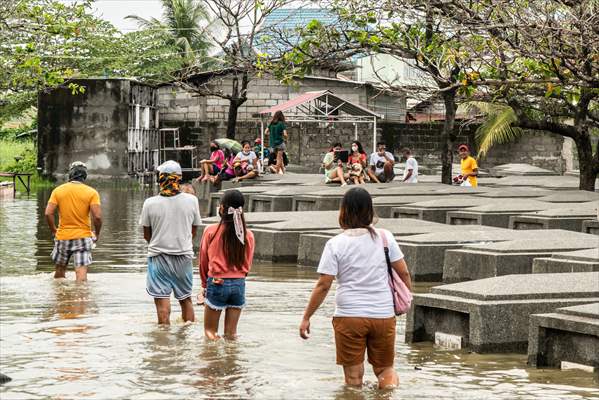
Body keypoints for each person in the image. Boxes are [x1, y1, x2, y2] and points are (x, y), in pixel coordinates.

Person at [299, 187, 412, 389]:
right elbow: (403, 273)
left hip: (349, 315)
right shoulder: (385, 238)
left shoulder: (335, 244)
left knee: (353, 379)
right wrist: (406, 299)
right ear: (370, 210)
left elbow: (324, 284)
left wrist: (307, 316)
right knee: (385, 369)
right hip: (383, 314)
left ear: (343, 211)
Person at [139, 160, 202, 325]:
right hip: (184, 256)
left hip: (158, 257)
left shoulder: (150, 203)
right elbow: (194, 229)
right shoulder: (192, 201)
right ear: (178, 179)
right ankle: (186, 335)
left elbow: (147, 235)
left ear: (160, 179)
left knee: (161, 301)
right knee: (185, 299)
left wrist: (160, 241)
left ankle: (163, 339)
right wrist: (182, 241)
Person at [199, 190, 255, 340]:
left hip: (217, 282)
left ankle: (213, 361)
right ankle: (231, 361)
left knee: (210, 332)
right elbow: (248, 264)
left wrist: (204, 285)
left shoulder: (211, 231)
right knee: (231, 334)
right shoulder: (248, 235)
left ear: (222, 208)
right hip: (239, 284)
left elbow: (203, 261)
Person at [44, 162, 102, 282]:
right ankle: (80, 299)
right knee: (81, 275)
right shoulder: (91, 192)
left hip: (62, 237)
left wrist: (54, 230)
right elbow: (97, 217)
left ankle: (60, 298)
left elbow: (48, 213)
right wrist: (97, 233)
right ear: (84, 176)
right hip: (83, 237)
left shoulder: (58, 191)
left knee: (59, 273)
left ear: (70, 175)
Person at [266, 110, 288, 174]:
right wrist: (286, 138)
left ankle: (283, 171)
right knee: (279, 158)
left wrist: (272, 135)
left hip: (273, 144)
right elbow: (285, 134)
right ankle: (277, 171)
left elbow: (265, 132)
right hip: (280, 143)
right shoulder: (281, 123)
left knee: (280, 158)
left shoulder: (271, 123)